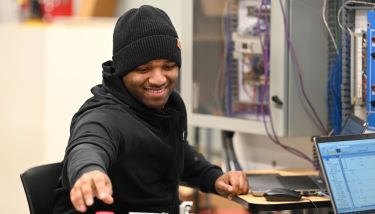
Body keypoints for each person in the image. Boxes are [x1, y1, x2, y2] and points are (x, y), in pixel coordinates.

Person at [53, 5, 249, 214]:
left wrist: (215, 177)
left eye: (168, 66)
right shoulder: (105, 115)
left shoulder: (170, 105)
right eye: (143, 69)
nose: (158, 79)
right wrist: (88, 172)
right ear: (122, 71)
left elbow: (176, 152)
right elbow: (88, 144)